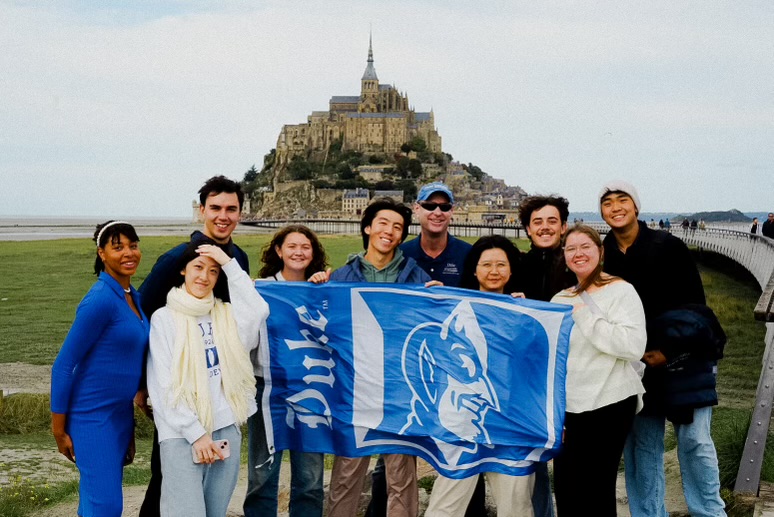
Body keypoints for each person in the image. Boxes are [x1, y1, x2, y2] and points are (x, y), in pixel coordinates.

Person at [599, 180, 726, 517]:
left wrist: (669, 349)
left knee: (695, 441)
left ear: (636, 207)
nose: (615, 207)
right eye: (607, 202)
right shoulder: (603, 253)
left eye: (622, 199)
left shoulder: (668, 245)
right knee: (642, 447)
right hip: (634, 364)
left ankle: (709, 512)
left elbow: (696, 306)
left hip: (684, 358)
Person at [139, 175, 250, 517]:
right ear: (201, 210)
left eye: (231, 209)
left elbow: (245, 315)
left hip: (219, 392)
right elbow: (145, 321)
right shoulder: (176, 259)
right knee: (168, 480)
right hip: (179, 390)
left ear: (240, 214)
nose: (223, 215)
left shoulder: (239, 260)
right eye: (215, 207)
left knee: (212, 490)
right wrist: (142, 386)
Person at [326, 197, 433, 517]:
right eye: (383, 223)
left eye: (398, 227)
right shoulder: (341, 277)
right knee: (346, 477)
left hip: (399, 391)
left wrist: (437, 298)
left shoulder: (417, 278)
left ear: (402, 236)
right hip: (355, 391)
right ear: (368, 227)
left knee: (401, 479)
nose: (390, 231)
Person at [146, 241, 269, 517]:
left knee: (215, 511)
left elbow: (258, 310)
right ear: (183, 271)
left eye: (213, 271)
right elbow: (163, 385)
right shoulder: (164, 319)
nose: (204, 276)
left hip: (225, 428)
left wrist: (228, 262)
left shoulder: (226, 316)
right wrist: (196, 434)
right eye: (198, 267)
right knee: (184, 512)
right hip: (182, 434)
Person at [425, 235, 536, 517]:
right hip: (464, 421)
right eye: (486, 264)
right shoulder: (453, 308)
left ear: (511, 270)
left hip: (512, 422)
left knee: (516, 505)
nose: (494, 271)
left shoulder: (526, 312)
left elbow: (537, 368)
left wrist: (528, 315)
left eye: (501, 264)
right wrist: (431, 301)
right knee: (446, 505)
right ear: (474, 269)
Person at [51, 221, 150, 517]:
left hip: (118, 416)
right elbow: (63, 365)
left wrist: (130, 423)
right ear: (102, 254)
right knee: (106, 506)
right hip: (91, 418)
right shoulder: (99, 300)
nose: (128, 253)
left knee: (96, 503)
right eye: (117, 247)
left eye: (133, 245)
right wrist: (58, 430)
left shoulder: (134, 296)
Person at [550, 225, 646, 516]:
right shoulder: (559, 300)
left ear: (600, 252)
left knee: (598, 488)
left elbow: (633, 345)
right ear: (564, 255)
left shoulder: (621, 291)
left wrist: (588, 319)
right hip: (571, 406)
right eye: (571, 248)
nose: (578, 254)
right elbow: (555, 360)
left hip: (611, 401)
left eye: (585, 247)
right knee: (566, 487)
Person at [244, 225, 329, 517]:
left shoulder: (322, 290)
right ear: (279, 251)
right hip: (267, 391)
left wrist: (326, 288)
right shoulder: (261, 289)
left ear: (314, 252)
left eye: (305, 247)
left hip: (311, 389)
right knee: (262, 474)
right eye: (292, 246)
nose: (299, 252)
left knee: (310, 478)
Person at [511, 195, 576, 517]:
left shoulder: (576, 265)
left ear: (563, 226)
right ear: (527, 228)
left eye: (552, 221)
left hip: (571, 375)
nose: (545, 227)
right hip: (529, 377)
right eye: (537, 222)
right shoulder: (518, 267)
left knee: (571, 464)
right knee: (532, 460)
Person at [401, 182, 472, 287]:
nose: (438, 213)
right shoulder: (401, 255)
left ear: (452, 211)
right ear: (417, 209)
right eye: (430, 206)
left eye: (445, 207)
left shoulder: (470, 255)